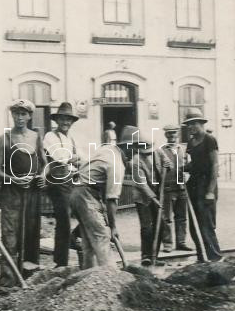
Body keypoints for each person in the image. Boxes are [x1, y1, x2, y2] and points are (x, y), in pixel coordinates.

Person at [0, 99, 46, 287]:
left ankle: (29, 278)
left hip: (32, 193)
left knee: (31, 232)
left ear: (30, 116)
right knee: (10, 236)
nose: (20, 117)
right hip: (11, 193)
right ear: (12, 115)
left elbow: (44, 163)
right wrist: (14, 179)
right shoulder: (4, 139)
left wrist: (43, 176)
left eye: (23, 114)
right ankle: (7, 282)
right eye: (16, 113)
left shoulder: (36, 137)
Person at [69, 131, 126, 270]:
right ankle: (110, 276)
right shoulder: (117, 164)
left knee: (89, 242)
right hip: (86, 195)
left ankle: (88, 275)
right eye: (136, 150)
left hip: (78, 192)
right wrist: (113, 227)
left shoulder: (106, 149)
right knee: (102, 236)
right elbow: (112, 199)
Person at [117, 126, 169, 264]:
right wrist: (154, 199)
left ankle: (155, 256)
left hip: (158, 192)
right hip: (142, 196)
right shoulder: (136, 160)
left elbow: (167, 163)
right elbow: (141, 183)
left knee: (160, 225)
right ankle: (146, 256)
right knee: (147, 227)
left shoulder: (158, 152)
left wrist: (168, 165)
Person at [43, 102, 81, 268]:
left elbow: (78, 158)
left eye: (68, 119)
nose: (66, 122)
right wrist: (73, 159)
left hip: (70, 179)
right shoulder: (50, 136)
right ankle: (61, 262)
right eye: (63, 119)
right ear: (57, 120)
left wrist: (75, 160)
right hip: (57, 181)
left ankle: (72, 239)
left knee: (85, 212)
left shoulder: (70, 138)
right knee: (64, 219)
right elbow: (60, 157)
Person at [183, 108, 223, 262]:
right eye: (189, 124)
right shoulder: (191, 142)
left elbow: (214, 165)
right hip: (193, 184)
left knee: (207, 223)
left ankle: (214, 257)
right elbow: (194, 163)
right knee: (194, 224)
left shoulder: (209, 140)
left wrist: (210, 191)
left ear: (201, 123)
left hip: (207, 184)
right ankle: (202, 257)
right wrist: (182, 168)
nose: (191, 127)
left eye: (194, 123)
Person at [157, 124, 192, 252]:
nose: (172, 135)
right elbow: (157, 168)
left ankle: (181, 242)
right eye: (169, 133)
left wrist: (187, 175)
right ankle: (168, 243)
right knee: (166, 217)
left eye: (174, 133)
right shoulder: (160, 150)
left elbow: (189, 166)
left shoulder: (183, 149)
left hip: (182, 187)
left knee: (182, 217)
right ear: (165, 135)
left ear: (177, 134)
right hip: (168, 188)